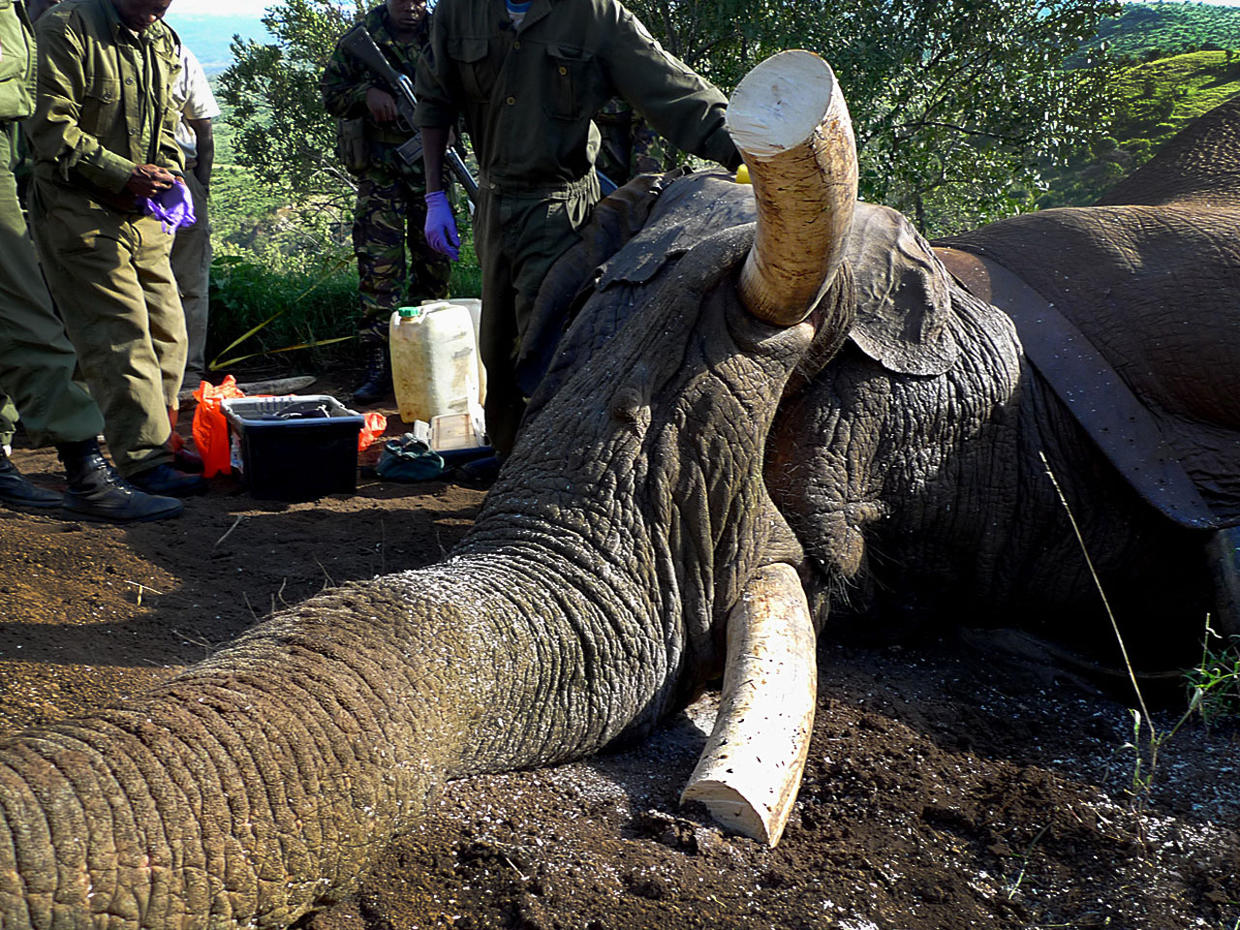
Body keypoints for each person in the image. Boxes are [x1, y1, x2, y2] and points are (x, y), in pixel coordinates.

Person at [415, 0, 742, 463]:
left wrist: (751, 153)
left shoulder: (593, 14)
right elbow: (434, 102)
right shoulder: (460, 10)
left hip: (560, 210)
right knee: (497, 351)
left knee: (549, 351)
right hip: (492, 203)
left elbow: (675, 93)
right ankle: (510, 462)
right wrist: (434, 197)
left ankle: (556, 474)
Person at [0, 0, 182, 521]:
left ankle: (159, 442)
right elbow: (51, 127)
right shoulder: (67, 28)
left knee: (169, 328)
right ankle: (142, 460)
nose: (157, 9)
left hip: (137, 206)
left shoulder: (161, 39)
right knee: (118, 331)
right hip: (77, 205)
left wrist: (166, 173)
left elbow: (165, 122)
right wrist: (120, 173)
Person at [321, 0, 452, 406]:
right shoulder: (362, 39)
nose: (410, 7)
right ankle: (379, 362)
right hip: (382, 173)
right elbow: (331, 94)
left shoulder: (443, 36)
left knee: (436, 265)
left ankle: (429, 352)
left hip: (434, 172)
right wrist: (367, 94)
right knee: (380, 270)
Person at [169, 40, 220, 388]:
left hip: (180, 177)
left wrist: (199, 183)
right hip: (118, 178)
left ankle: (188, 372)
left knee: (189, 281)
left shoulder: (181, 55)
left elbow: (204, 127)